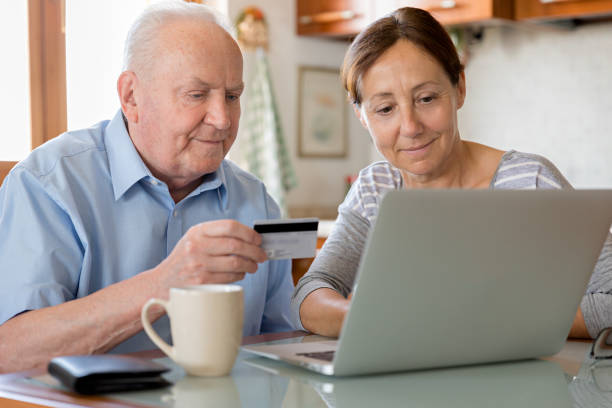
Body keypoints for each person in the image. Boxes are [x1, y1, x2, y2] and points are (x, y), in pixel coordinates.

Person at [0, 1, 295, 373]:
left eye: (232, 96)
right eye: (197, 95)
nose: (222, 120)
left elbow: (283, 349)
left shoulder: (256, 201)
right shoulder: (48, 184)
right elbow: (10, 353)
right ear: (131, 97)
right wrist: (164, 284)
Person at [291, 6, 612, 339]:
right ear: (361, 115)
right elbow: (310, 292)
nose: (411, 127)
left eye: (427, 98)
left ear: (459, 87)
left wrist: (488, 321)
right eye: (385, 109)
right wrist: (366, 318)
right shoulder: (375, 188)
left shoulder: (529, 182)